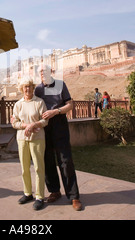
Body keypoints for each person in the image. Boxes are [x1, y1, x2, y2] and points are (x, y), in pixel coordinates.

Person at [34, 65, 83, 211]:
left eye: (45, 71)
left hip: (59, 123)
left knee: (65, 160)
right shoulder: (38, 89)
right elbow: (31, 104)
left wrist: (56, 111)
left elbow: (70, 105)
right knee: (47, 159)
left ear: (51, 72)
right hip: (45, 126)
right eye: (41, 72)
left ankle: (74, 196)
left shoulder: (61, 85)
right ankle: (54, 191)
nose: (43, 74)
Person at [12, 77, 49, 210]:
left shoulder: (39, 102)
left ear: (33, 88)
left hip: (37, 138)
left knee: (39, 167)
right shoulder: (18, 104)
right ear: (22, 89)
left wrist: (34, 124)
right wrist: (26, 126)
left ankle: (39, 196)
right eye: (25, 87)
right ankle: (27, 193)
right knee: (24, 168)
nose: (27, 89)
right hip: (22, 138)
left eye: (29, 86)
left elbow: (45, 121)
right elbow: (14, 122)